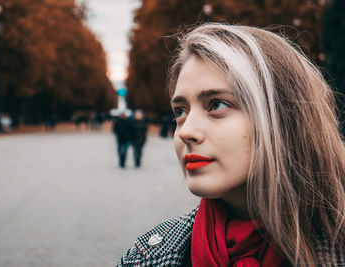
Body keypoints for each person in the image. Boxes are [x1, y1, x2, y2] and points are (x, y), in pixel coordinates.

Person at [117, 24, 345, 266]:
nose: (186, 131)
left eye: (216, 105)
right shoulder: (145, 258)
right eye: (180, 111)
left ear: (285, 117)